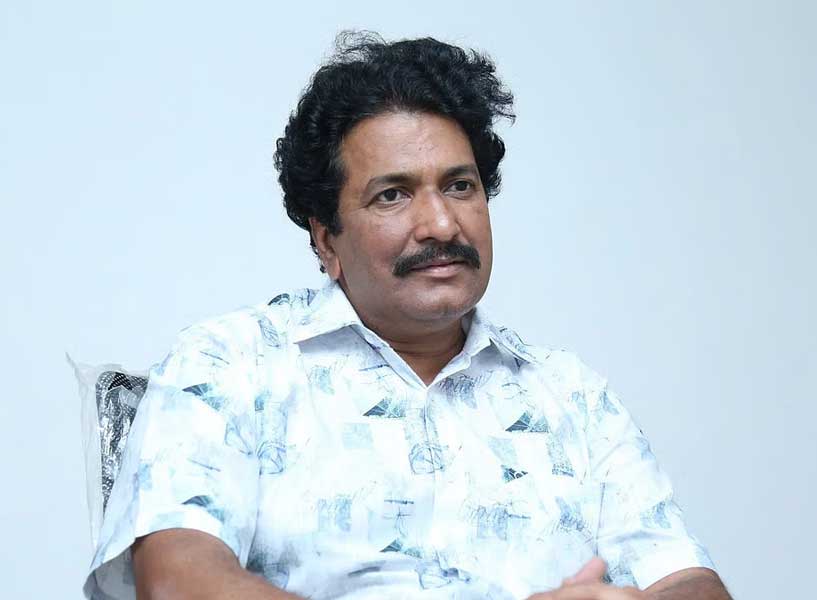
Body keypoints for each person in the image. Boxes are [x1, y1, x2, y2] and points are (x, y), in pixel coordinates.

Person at [84, 33, 732, 600]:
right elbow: (179, 582)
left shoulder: (571, 396)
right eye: (392, 195)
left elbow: (690, 581)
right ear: (325, 240)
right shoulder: (230, 365)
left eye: (459, 186)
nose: (442, 224)